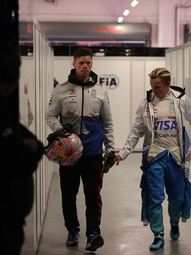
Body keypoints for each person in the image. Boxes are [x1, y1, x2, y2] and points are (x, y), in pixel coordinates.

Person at [114, 67, 191, 250]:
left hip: (176, 158)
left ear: (168, 84)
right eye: (152, 86)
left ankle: (175, 222)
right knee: (154, 197)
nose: (154, 90)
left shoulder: (181, 101)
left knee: (176, 198)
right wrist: (123, 153)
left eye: (158, 87)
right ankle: (158, 234)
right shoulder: (146, 103)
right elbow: (136, 130)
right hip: (154, 157)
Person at [46, 47, 115, 251]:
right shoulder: (61, 90)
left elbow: (107, 121)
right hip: (68, 155)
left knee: (93, 195)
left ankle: (93, 233)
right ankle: (72, 230)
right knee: (68, 195)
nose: (85, 66)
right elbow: (50, 115)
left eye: (88, 63)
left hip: (93, 154)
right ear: (74, 64)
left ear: (92, 64)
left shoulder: (101, 90)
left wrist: (110, 148)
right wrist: (62, 133)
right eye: (81, 63)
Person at [0, 42, 44, 254]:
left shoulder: (4, 108)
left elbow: (35, 145)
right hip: (1, 224)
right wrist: (27, 148)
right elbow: (23, 159)